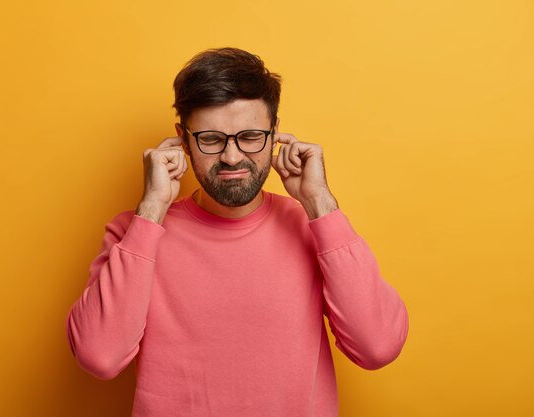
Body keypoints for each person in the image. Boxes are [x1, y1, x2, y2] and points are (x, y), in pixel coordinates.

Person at [66, 47, 409, 417]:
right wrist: (151, 210)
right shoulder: (134, 234)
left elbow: (377, 347)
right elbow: (100, 357)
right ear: (182, 139)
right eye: (211, 139)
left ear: (275, 134)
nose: (232, 157)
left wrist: (320, 204)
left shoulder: (313, 227)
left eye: (249, 136)